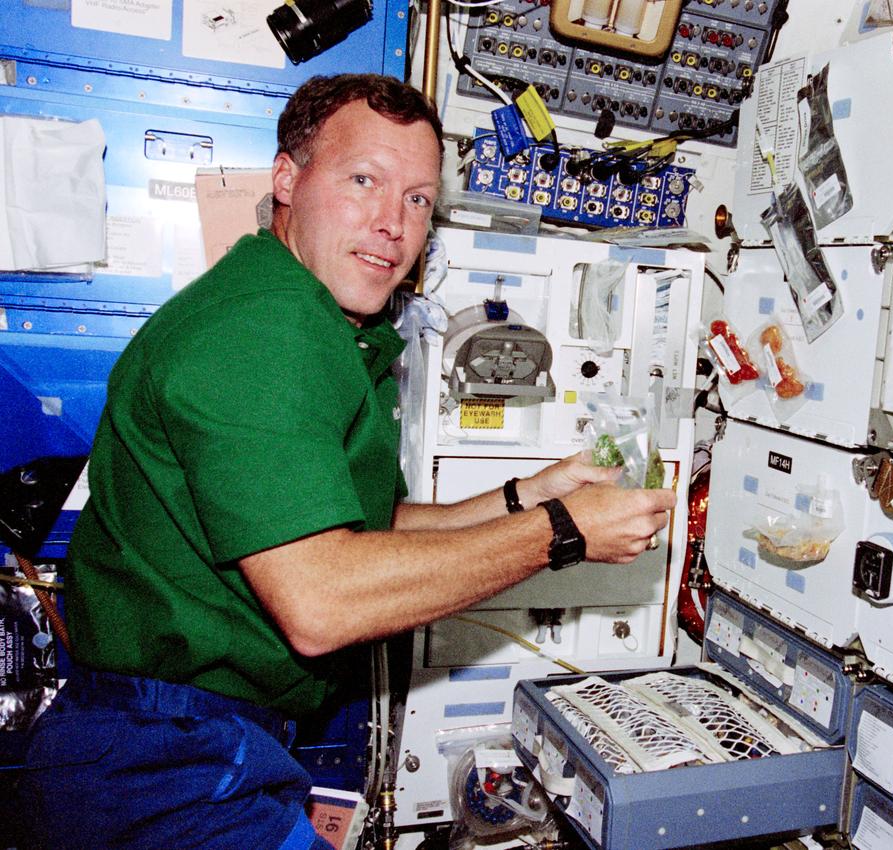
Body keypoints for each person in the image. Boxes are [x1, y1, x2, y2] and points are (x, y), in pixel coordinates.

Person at [18, 73, 674, 850]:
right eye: (364, 180)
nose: (392, 223)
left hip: (188, 747)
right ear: (287, 178)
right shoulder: (262, 331)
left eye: (418, 200)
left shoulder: (302, 318)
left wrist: (531, 494)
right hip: (167, 761)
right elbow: (322, 601)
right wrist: (562, 533)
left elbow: (370, 526)